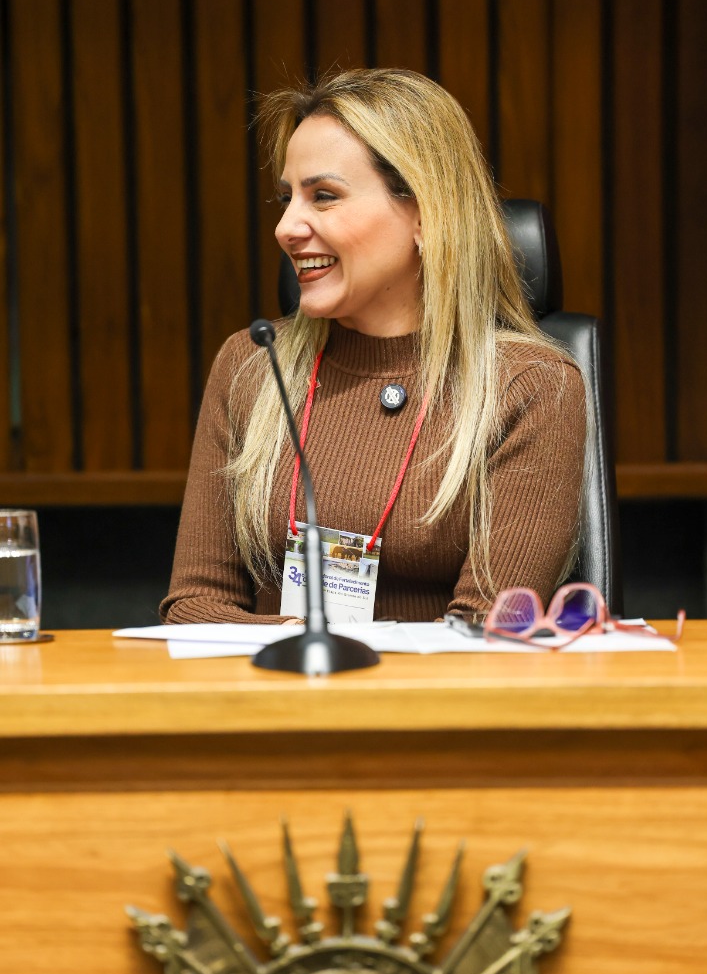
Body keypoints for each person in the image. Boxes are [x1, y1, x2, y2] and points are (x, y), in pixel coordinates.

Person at [160, 68, 585, 625]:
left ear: (426, 214)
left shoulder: (529, 387)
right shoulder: (253, 366)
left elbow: (483, 635)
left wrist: (329, 649)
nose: (286, 227)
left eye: (324, 196)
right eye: (287, 198)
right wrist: (310, 648)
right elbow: (194, 608)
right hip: (271, 681)